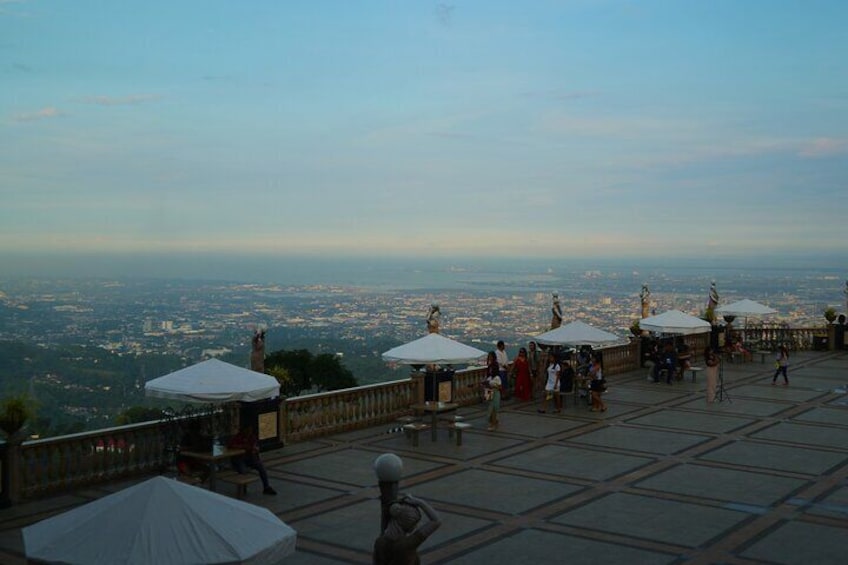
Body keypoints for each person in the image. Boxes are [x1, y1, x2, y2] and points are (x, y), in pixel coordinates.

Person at [373, 494, 441, 565]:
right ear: (408, 524)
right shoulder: (408, 544)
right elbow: (436, 521)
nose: (416, 526)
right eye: (415, 523)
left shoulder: (380, 541)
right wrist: (420, 502)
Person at [227, 425, 277, 495]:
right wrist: (242, 447)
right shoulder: (238, 437)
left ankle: (266, 487)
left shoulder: (252, 437)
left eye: (250, 430)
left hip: (250, 458)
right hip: (239, 458)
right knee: (242, 470)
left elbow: (254, 447)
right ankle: (242, 489)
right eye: (247, 430)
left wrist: (255, 450)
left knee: (262, 468)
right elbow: (230, 446)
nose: (249, 432)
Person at [483, 351, 502, 431]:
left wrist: (493, 385)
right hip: (489, 393)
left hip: (495, 393)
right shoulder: (489, 377)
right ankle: (493, 422)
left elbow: (500, 387)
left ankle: (493, 424)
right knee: (490, 409)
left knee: (493, 409)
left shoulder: (497, 378)